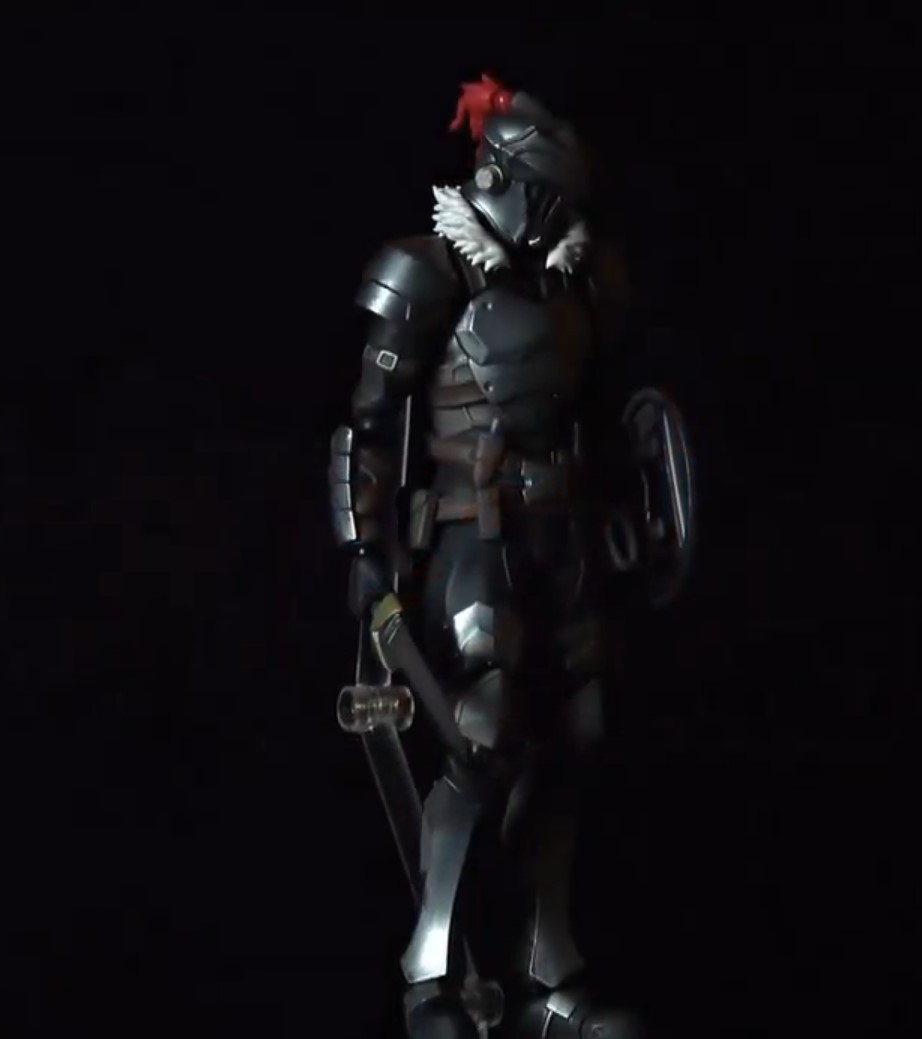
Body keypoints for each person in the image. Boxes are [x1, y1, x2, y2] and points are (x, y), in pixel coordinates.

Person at [328, 73, 650, 1039]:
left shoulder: (577, 281)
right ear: (502, 179)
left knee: (576, 732)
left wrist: (628, 521)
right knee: (480, 728)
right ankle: (430, 971)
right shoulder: (427, 271)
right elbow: (367, 425)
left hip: (567, 539)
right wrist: (363, 546)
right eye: (542, 195)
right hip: (474, 537)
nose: (553, 216)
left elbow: (612, 422)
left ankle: (547, 975)